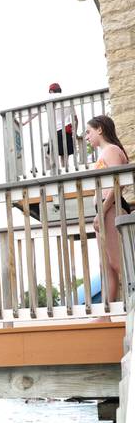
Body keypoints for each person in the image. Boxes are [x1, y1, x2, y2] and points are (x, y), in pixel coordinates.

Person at [88, 115, 131, 302]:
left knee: (117, 261)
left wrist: (102, 210)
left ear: (100, 129)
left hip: (111, 207)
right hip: (104, 209)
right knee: (105, 264)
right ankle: (106, 313)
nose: (87, 137)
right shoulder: (105, 152)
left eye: (88, 131)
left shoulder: (112, 150)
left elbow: (117, 183)